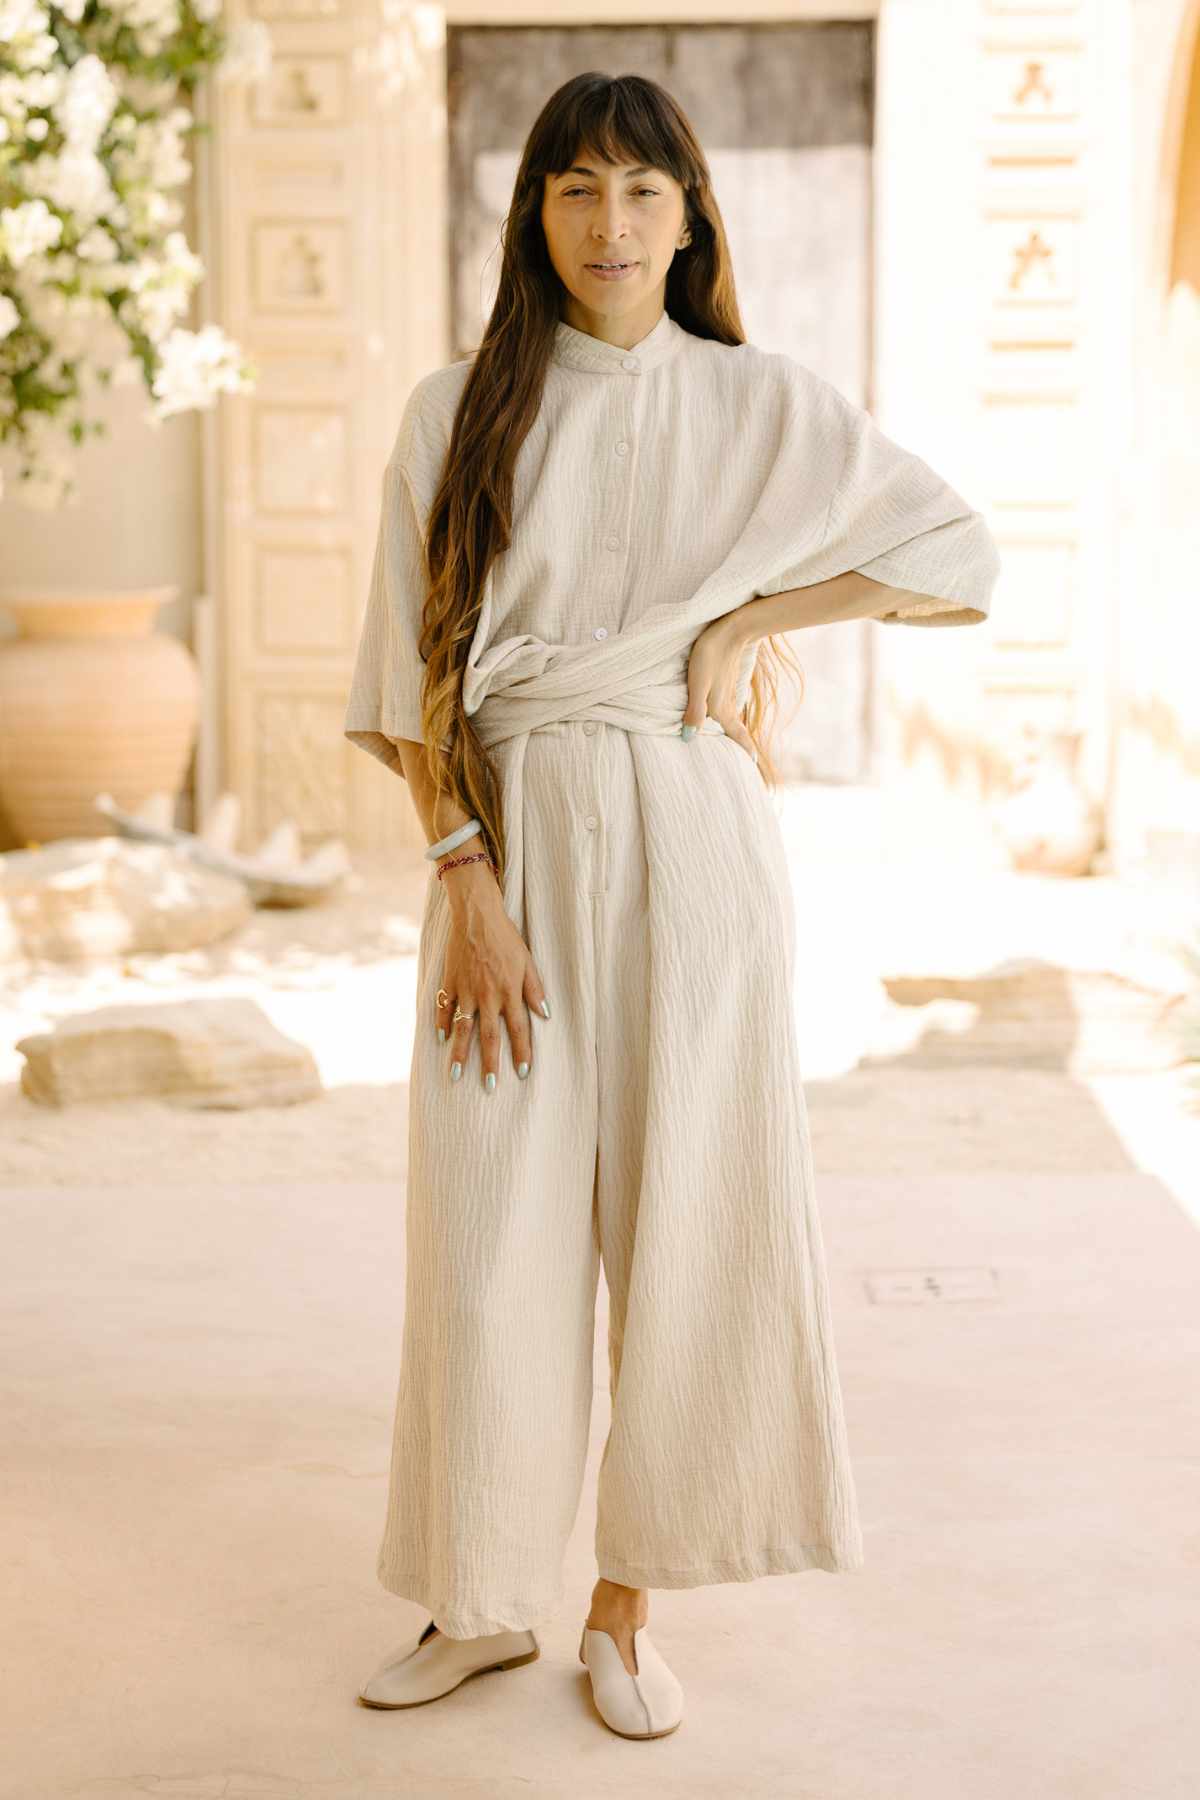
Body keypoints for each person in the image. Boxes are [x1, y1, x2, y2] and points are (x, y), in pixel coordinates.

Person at [344, 71, 1001, 1741]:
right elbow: (413, 679)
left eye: (644, 192)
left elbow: (954, 548)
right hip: (503, 847)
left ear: (693, 214)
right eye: (576, 190)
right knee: (488, 1226)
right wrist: (462, 879)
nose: (611, 224)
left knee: (689, 1220)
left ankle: (626, 1605)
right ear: (534, 216)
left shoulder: (757, 401)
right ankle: (480, 1598)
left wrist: (751, 620)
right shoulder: (458, 409)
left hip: (693, 840)